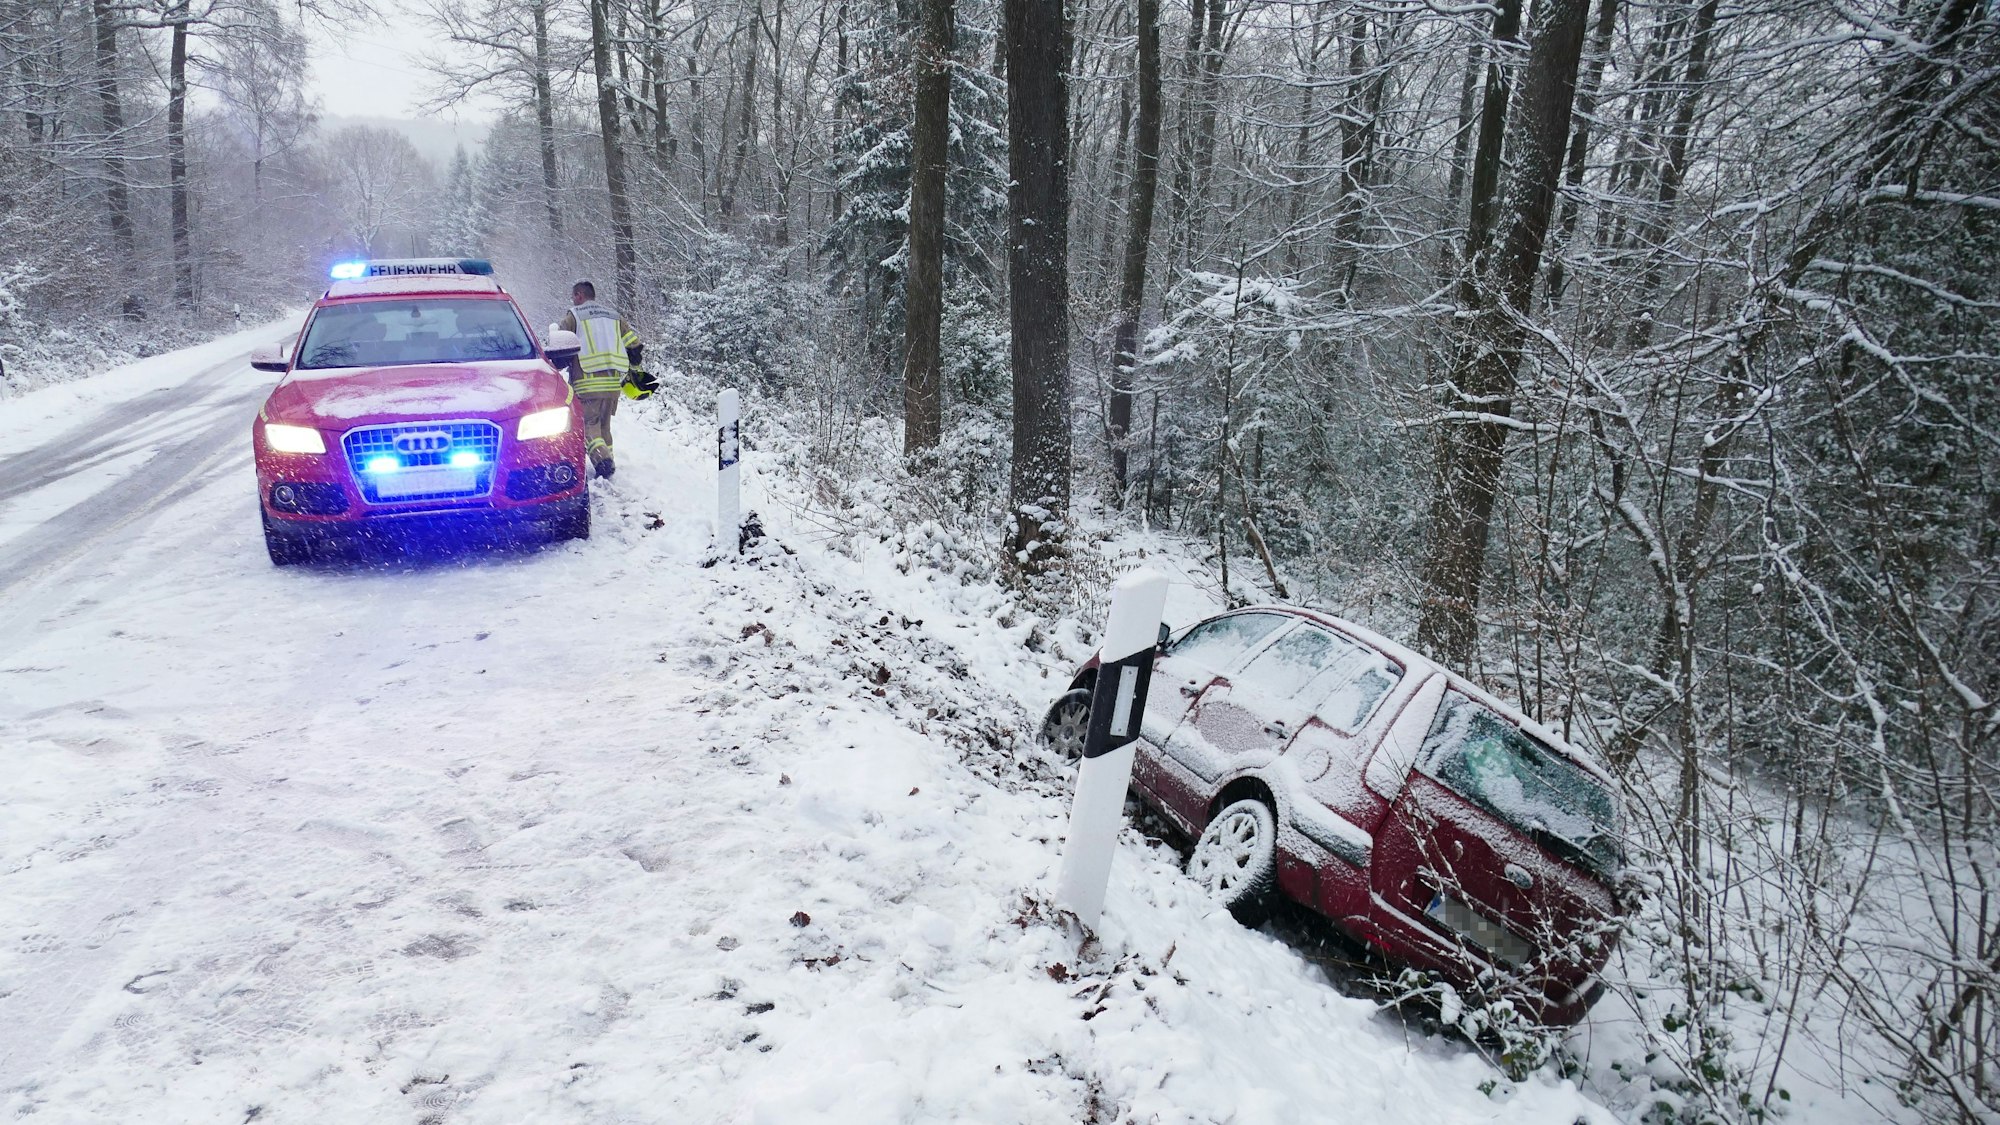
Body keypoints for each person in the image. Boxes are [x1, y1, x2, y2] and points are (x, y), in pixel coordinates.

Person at [556, 280, 644, 479]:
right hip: (612, 385)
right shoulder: (614, 317)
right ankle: (609, 461)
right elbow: (634, 345)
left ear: (579, 295)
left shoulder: (574, 316)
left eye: (573, 297)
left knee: (588, 426)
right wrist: (636, 367)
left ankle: (603, 461)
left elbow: (560, 345)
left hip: (587, 383)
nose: (573, 300)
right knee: (604, 427)